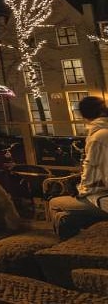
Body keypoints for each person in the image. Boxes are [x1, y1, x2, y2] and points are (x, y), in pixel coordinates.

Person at [49, 96, 108, 239]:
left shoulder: (99, 137)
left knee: (55, 203)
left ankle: (66, 248)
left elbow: (91, 177)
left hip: (104, 200)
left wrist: (79, 189)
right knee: (65, 217)